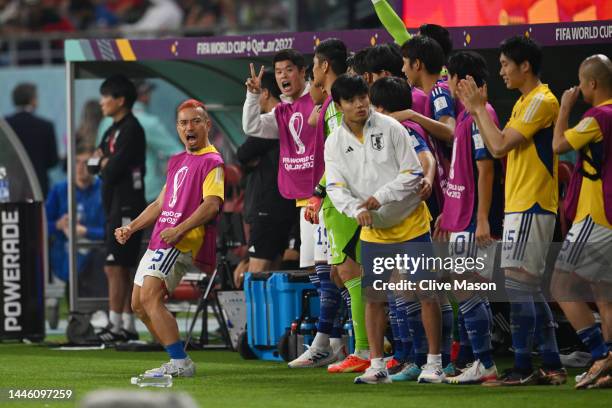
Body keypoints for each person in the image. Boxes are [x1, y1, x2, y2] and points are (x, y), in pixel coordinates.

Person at [457, 35, 566, 386]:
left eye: (505, 64)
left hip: (533, 203)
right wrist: (478, 113)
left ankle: (523, 365)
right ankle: (550, 364)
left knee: (519, 287)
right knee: (528, 287)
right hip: (521, 204)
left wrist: (476, 110)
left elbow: (499, 145)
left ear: (525, 66)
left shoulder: (541, 101)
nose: (501, 71)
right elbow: (495, 144)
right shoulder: (523, 103)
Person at [326, 74, 443, 385]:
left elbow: (412, 173)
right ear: (339, 106)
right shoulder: (334, 142)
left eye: (363, 97)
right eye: (351, 100)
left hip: (410, 222)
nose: (360, 104)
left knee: (426, 293)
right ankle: (376, 365)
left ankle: (434, 363)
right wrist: (356, 209)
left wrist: (380, 198)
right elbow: (336, 187)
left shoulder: (392, 127)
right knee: (374, 297)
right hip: (374, 230)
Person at [116, 98, 224, 377]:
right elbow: (160, 204)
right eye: (184, 122)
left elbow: (211, 205)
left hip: (180, 241)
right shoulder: (178, 161)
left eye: (196, 121)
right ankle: (175, 357)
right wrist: (132, 228)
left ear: (207, 125)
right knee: (138, 305)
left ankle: (180, 363)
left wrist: (180, 230)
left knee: (151, 298)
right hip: (159, 239)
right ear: (177, 128)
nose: (190, 127)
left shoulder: (213, 162)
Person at [298, 38, 371, 373]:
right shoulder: (328, 105)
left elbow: (341, 156)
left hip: (344, 198)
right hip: (340, 198)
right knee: (341, 274)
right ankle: (357, 343)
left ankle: (366, 348)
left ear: (324, 65)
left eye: (313, 65)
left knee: (349, 272)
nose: (312, 72)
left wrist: (318, 192)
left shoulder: (333, 107)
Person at [438, 51, 503, 384]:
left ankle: (485, 363)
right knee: (466, 287)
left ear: (461, 81)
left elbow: (486, 170)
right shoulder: (466, 116)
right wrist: (447, 214)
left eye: (448, 75)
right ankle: (478, 361)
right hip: (459, 217)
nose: (445, 81)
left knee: (466, 287)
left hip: (472, 221)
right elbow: (460, 172)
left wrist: (481, 220)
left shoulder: (481, 115)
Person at [550, 54, 612, 390]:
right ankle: (609, 367)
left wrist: (564, 107)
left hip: (596, 216)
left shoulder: (597, 116)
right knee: (605, 294)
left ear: (591, 84)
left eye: (580, 81)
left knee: (560, 285)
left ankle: (601, 354)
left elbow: (560, 145)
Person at [94, 74, 147, 343]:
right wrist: (104, 164)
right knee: (119, 266)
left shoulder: (132, 129)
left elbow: (112, 168)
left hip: (128, 205)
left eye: (106, 96)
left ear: (120, 100)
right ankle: (126, 324)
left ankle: (116, 324)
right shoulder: (111, 129)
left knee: (116, 266)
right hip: (113, 204)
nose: (102, 101)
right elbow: (95, 162)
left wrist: (105, 164)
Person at [237, 69, 298, 272]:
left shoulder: (276, 120)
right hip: (286, 205)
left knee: (257, 272)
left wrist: (254, 159)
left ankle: (256, 306)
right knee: (276, 271)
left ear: (264, 93)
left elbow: (243, 154)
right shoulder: (290, 117)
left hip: (267, 207)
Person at [46, 144, 105, 283]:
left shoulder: (103, 189)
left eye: (86, 162)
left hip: (96, 258)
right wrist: (58, 225)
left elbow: (111, 232)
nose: (80, 167)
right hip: (62, 258)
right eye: (76, 162)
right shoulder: (59, 190)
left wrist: (85, 231)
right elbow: (41, 226)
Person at [5, 82, 58, 197]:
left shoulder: (4, 126)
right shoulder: (46, 126)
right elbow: (53, 161)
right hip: (38, 186)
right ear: (33, 100)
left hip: (10, 186)